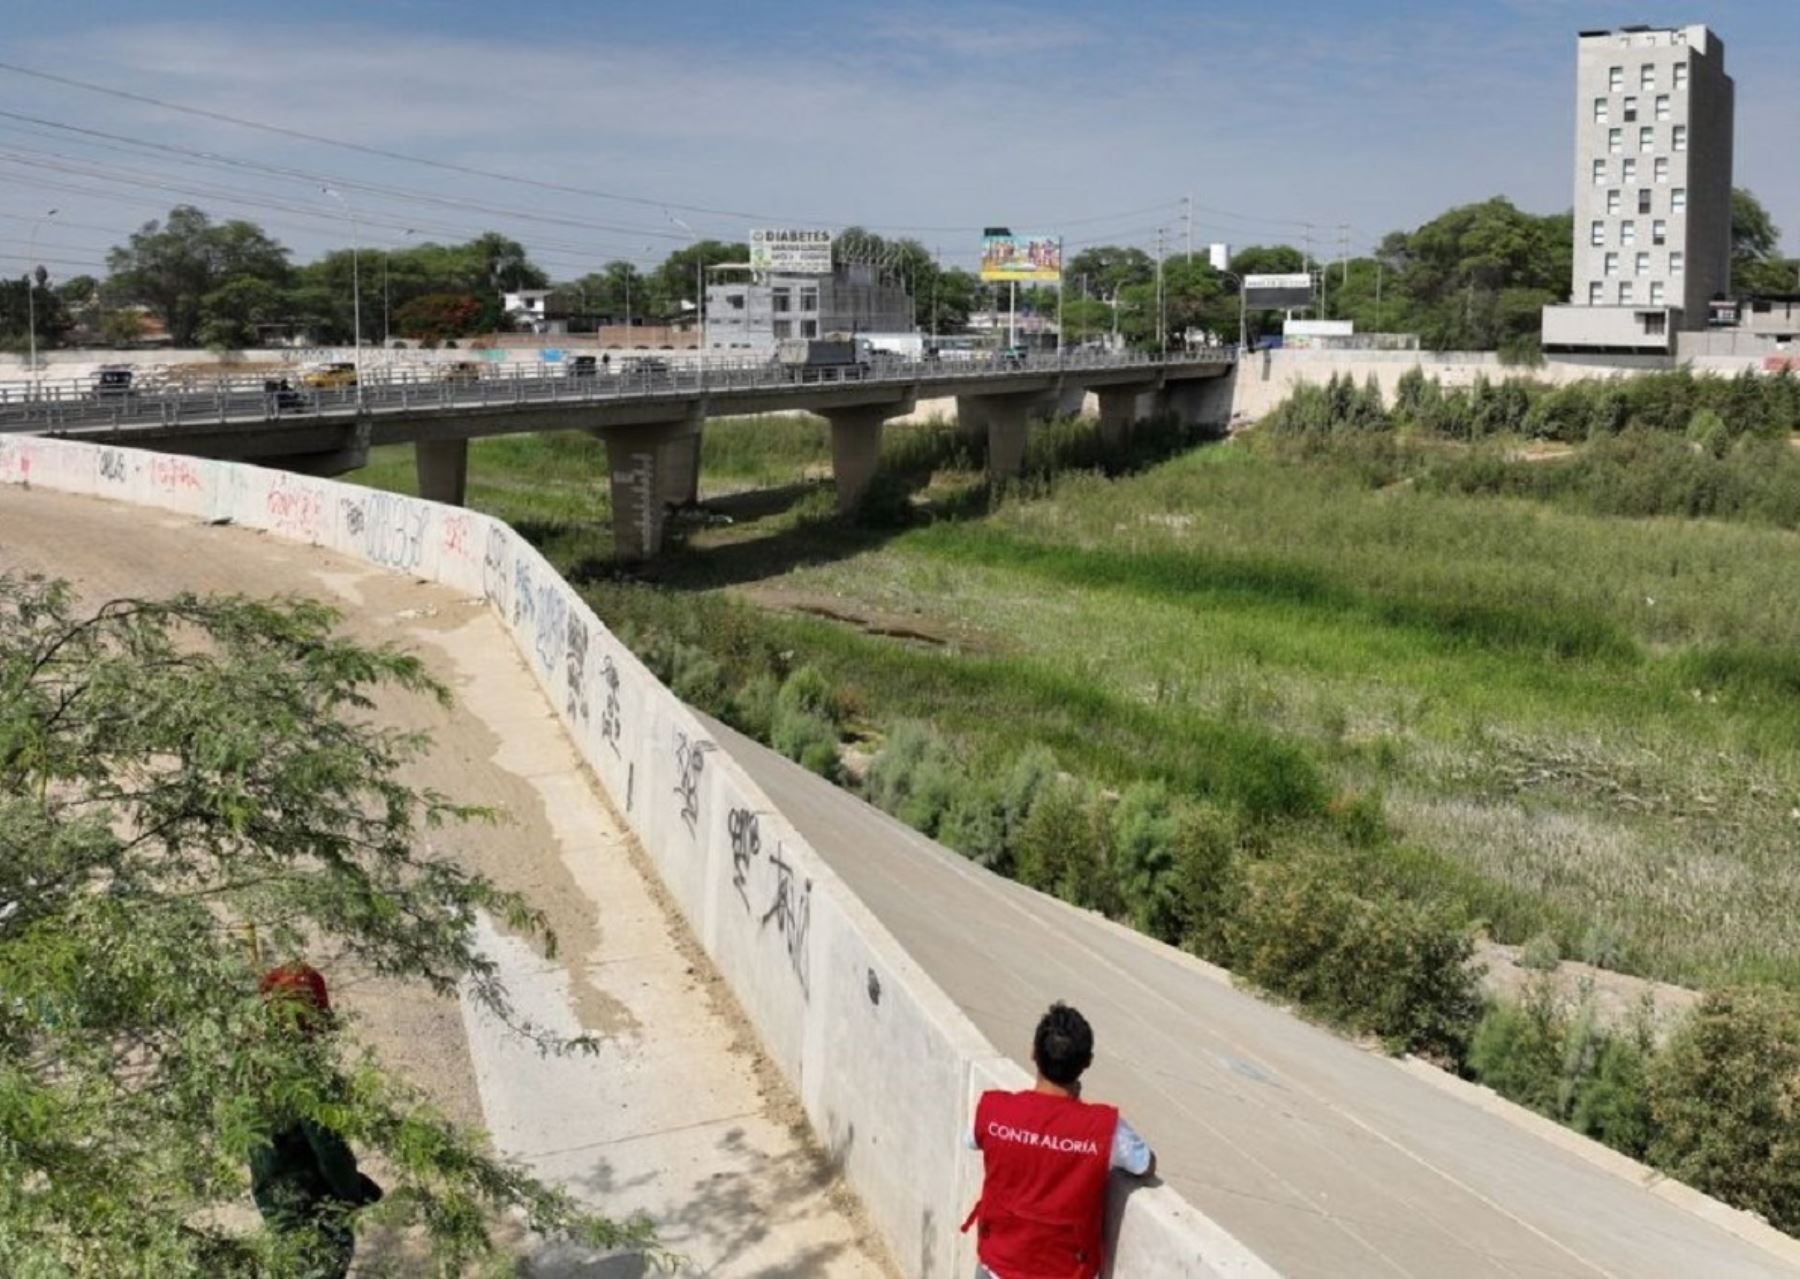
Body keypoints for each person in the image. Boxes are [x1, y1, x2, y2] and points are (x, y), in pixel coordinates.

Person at [963, 1003, 1153, 1279]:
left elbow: (971, 1139)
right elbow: (1144, 1164)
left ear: (1033, 1053)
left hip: (997, 1266)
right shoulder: (1104, 1129)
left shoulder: (994, 1110)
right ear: (1087, 1062)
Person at [251, 963, 382, 1279]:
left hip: (279, 1211)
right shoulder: (305, 1076)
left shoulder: (255, 1070)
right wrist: (353, 1194)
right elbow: (330, 1151)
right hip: (317, 1215)